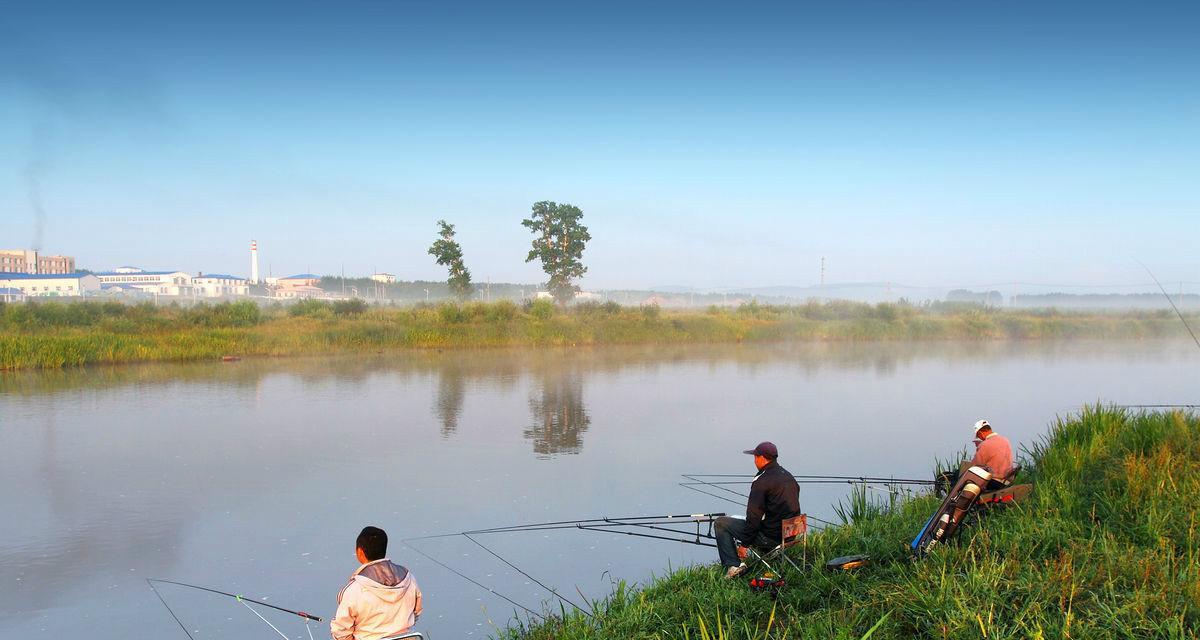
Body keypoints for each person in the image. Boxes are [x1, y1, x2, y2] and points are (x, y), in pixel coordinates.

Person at [713, 441, 801, 578]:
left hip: (771, 537)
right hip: (789, 534)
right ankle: (768, 553)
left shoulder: (761, 481)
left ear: (761, 458)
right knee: (746, 521)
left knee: (720, 523)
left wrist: (745, 544)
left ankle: (734, 566)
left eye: (755, 457)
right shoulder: (788, 476)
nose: (754, 460)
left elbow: (754, 516)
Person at [331, 526, 423, 640]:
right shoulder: (408, 578)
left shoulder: (353, 590)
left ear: (359, 552)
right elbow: (416, 612)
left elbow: (340, 631)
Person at [970, 419, 1014, 487]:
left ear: (980, 433)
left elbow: (975, 466)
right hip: (1007, 481)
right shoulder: (1005, 441)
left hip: (993, 481)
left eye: (978, 436)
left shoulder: (985, 444)